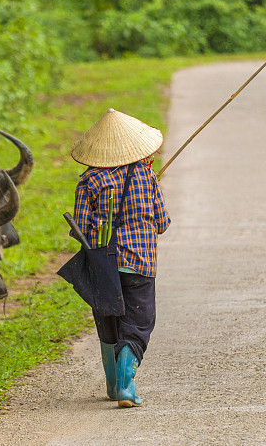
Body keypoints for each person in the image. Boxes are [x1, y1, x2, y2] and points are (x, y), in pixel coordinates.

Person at [71, 108, 170, 408]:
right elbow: (162, 223)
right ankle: (127, 388)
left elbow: (80, 229)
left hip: (103, 266)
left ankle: (113, 387)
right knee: (137, 324)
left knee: (108, 323)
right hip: (140, 262)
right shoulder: (146, 174)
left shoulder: (89, 181)